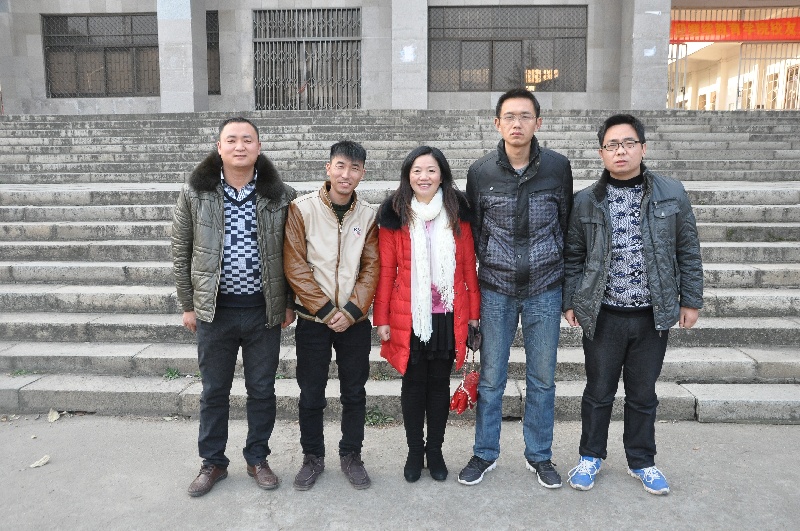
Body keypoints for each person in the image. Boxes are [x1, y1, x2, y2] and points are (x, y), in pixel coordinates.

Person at [562, 114, 703, 495]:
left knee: (643, 394)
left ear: (643, 147)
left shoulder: (671, 192)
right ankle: (590, 456)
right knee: (598, 391)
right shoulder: (586, 200)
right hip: (603, 314)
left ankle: (642, 460)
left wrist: (690, 300)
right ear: (601, 153)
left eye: (628, 143)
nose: (620, 151)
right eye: (612, 145)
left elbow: (688, 249)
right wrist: (571, 300)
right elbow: (573, 255)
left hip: (651, 315)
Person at [172, 117, 297, 497]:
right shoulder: (196, 193)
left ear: (259, 147)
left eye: (247, 140)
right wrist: (188, 304)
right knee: (214, 391)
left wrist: (287, 303)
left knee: (262, 390)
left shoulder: (281, 195)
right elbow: (181, 249)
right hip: (215, 312)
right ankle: (212, 462)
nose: (239, 146)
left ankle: (258, 458)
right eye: (232, 140)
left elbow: (294, 253)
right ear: (219, 146)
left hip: (263, 312)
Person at [459, 88, 573, 489]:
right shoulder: (481, 172)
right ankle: (484, 452)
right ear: (497, 124)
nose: (517, 123)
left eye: (525, 116)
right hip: (496, 289)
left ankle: (539, 455)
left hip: (545, 288)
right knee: (492, 378)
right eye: (509, 116)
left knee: (543, 378)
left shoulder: (557, 168)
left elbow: (566, 226)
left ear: (538, 122)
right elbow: (474, 233)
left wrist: (567, 291)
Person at [373, 146, 481, 483]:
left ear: (442, 175)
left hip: (448, 315)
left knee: (438, 385)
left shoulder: (457, 212)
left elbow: (468, 267)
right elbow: (386, 271)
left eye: (431, 170)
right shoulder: (395, 214)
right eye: (417, 170)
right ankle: (413, 450)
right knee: (412, 385)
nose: (424, 177)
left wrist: (474, 315)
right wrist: (382, 319)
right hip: (409, 316)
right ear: (408, 175)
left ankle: (435, 450)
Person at [283, 140, 380, 491]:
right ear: (328, 168)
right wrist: (324, 310)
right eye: (340, 166)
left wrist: (352, 310)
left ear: (362, 173)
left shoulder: (368, 215)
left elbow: (371, 266)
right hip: (313, 321)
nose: (346, 174)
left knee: (354, 392)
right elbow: (295, 264)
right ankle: (312, 457)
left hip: (355, 322)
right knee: (311, 392)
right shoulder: (302, 209)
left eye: (354, 168)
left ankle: (352, 455)